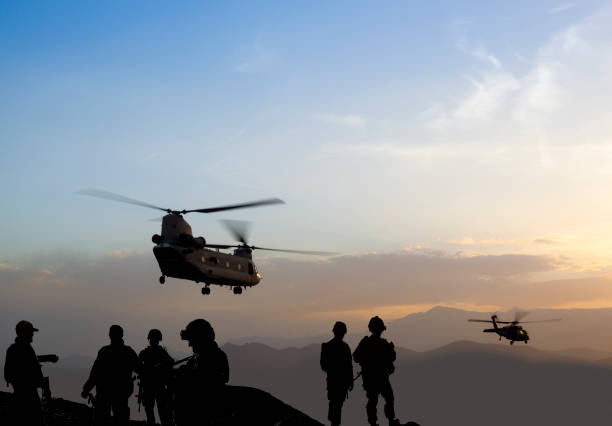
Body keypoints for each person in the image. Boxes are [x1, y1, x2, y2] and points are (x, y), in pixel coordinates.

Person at [172, 318, 229, 426]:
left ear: (200, 339)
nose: (190, 345)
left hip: (203, 412)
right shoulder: (198, 357)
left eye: (191, 340)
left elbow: (203, 380)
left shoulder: (214, 356)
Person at [81, 324, 141, 426]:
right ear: (122, 335)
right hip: (121, 393)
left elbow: (95, 374)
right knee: (121, 420)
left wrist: (86, 389)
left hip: (105, 393)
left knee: (102, 420)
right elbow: (140, 369)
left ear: (109, 335)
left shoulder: (104, 352)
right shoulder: (128, 352)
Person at [353, 316, 401, 426]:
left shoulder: (366, 342)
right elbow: (392, 357)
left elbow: (356, 357)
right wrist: (391, 348)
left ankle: (373, 423)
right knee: (388, 398)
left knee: (373, 400)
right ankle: (390, 421)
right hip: (382, 377)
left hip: (370, 378)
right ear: (380, 330)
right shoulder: (383, 344)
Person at [3, 320, 50, 426]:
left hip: (18, 397)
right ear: (25, 333)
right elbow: (32, 370)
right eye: (30, 332)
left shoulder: (12, 350)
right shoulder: (27, 350)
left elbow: (8, 375)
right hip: (29, 399)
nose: (32, 334)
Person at [320, 321, 353, 426]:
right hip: (341, 383)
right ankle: (334, 423)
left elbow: (324, 366)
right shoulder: (345, 347)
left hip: (333, 382)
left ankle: (334, 422)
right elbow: (349, 366)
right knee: (337, 405)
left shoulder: (327, 347)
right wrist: (350, 381)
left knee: (335, 404)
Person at [139, 329, 174, 426]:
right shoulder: (160, 352)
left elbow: (138, 367)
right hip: (157, 386)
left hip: (151, 386)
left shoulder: (145, 353)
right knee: (160, 412)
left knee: (154, 412)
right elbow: (171, 362)